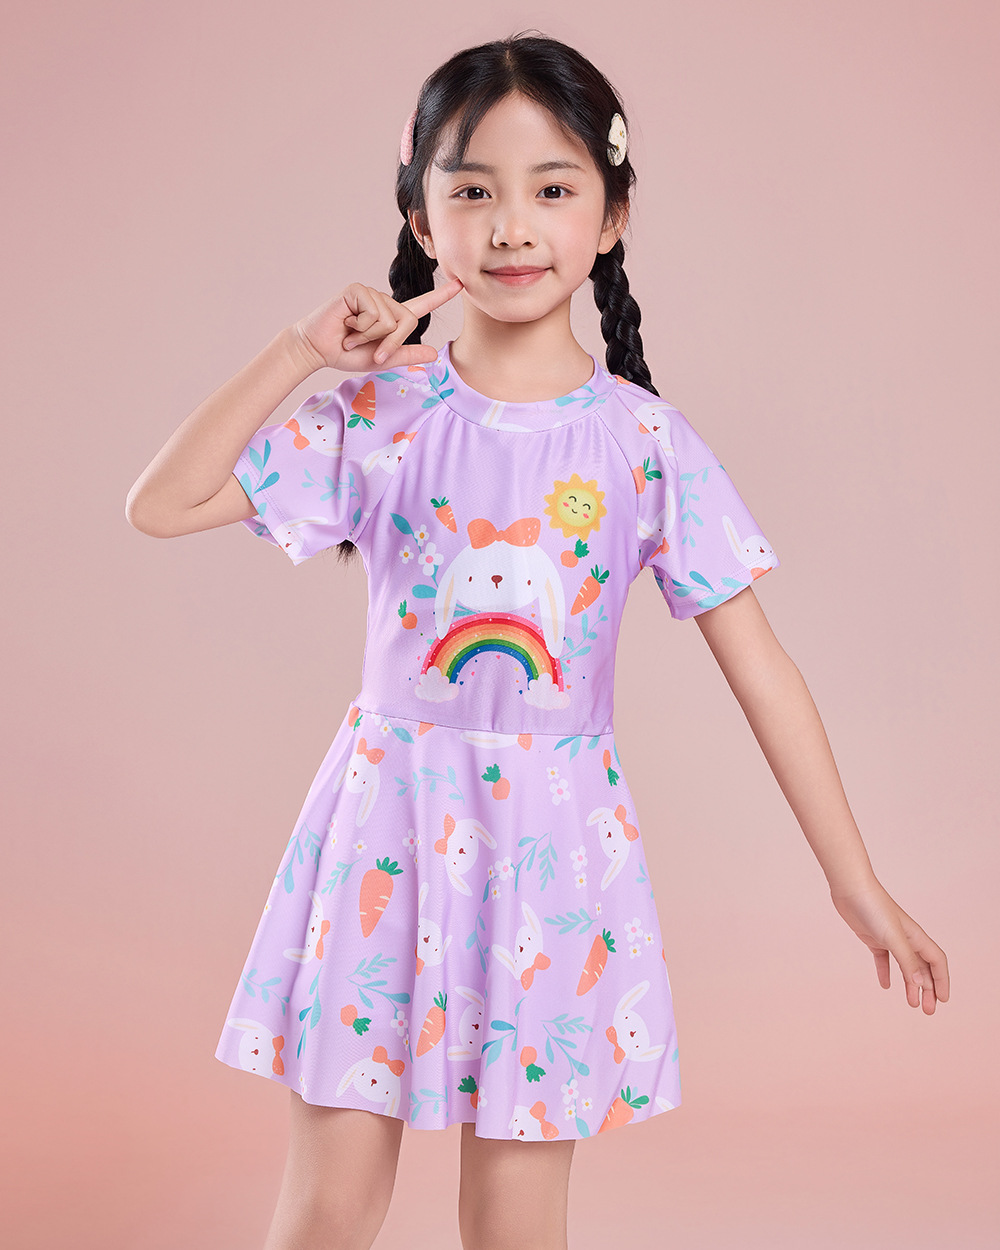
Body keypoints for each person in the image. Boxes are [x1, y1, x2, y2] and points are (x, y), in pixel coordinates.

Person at [125, 30, 949, 1250]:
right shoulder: (383, 412)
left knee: (516, 1221)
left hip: (552, 861)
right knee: (329, 1206)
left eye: (552, 189)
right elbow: (161, 503)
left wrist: (854, 881)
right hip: (383, 838)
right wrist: (302, 353)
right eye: (473, 192)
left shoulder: (644, 444)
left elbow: (763, 673)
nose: (512, 225)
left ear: (612, 217)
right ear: (421, 217)